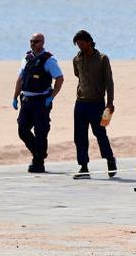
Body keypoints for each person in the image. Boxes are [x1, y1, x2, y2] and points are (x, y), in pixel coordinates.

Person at [13, 33, 63, 173]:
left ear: (42, 42)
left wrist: (51, 97)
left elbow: (59, 78)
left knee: (41, 132)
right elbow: (20, 79)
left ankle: (38, 162)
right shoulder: (26, 58)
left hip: (41, 101)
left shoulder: (49, 60)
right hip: (27, 100)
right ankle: (40, 153)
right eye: (31, 41)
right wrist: (15, 97)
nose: (33, 44)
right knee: (22, 130)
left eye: (36, 41)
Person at [70, 30, 117, 179]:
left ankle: (110, 159)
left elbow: (109, 82)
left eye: (82, 44)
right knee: (79, 136)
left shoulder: (102, 59)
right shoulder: (76, 59)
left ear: (89, 42)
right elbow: (78, 76)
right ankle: (83, 167)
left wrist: (110, 103)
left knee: (100, 134)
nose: (80, 47)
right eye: (78, 45)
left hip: (97, 103)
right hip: (80, 103)